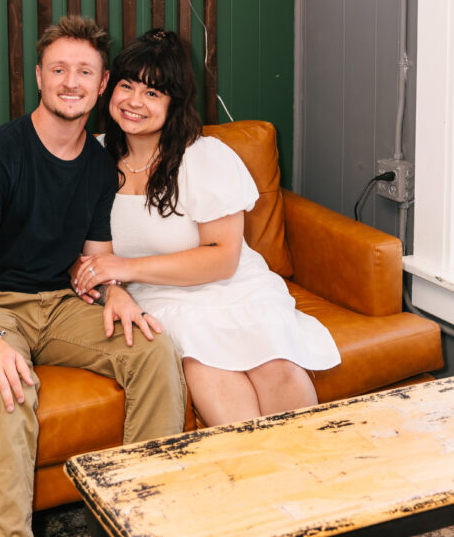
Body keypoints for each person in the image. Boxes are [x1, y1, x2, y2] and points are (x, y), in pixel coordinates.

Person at [0, 16, 186, 537]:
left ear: (102, 83)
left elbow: (96, 258)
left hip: (60, 303)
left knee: (154, 349)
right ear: (39, 76)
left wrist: (116, 293)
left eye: (84, 71)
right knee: (4, 390)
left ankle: (142, 522)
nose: (72, 82)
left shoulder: (99, 165)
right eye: (59, 69)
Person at [73, 28, 340, 428]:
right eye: (127, 86)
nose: (134, 101)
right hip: (159, 299)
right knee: (208, 367)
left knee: (277, 367)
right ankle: (254, 469)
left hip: (231, 287)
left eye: (152, 92)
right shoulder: (90, 157)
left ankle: (315, 467)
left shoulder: (203, 157)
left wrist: (125, 267)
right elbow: (81, 255)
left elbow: (223, 259)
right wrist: (112, 281)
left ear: (174, 103)